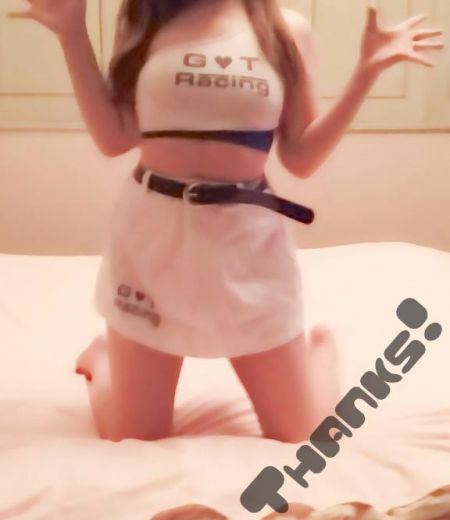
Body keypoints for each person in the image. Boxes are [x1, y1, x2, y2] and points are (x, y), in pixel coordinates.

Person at [8, 0, 444, 443]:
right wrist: (72, 34)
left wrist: (366, 73)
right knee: (133, 438)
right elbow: (114, 137)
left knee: (307, 436)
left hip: (246, 241)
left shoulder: (284, 30)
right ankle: (106, 358)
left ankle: (318, 349)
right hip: (152, 235)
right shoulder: (147, 19)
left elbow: (301, 157)